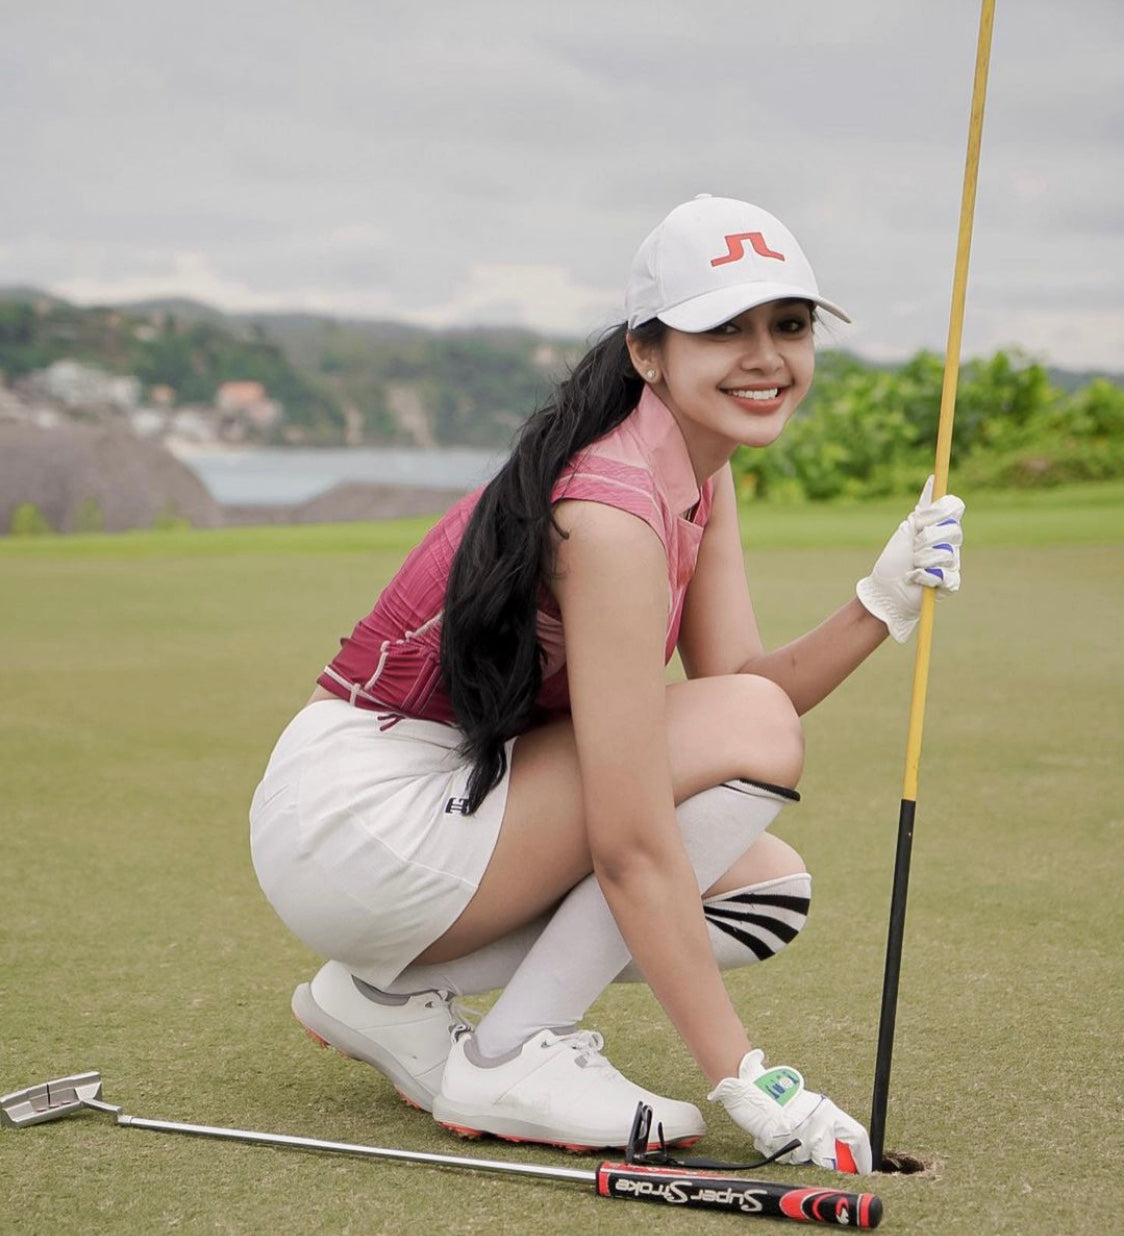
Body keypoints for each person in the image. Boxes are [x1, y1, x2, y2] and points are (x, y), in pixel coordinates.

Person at [249, 194, 964, 1176]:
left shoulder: (696, 471)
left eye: (787, 325)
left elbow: (738, 689)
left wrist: (878, 605)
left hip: (435, 799)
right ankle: (510, 1052)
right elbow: (636, 835)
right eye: (723, 328)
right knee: (735, 754)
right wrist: (749, 1079)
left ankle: (384, 995)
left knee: (764, 892)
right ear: (646, 349)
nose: (765, 356)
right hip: (364, 817)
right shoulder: (613, 510)